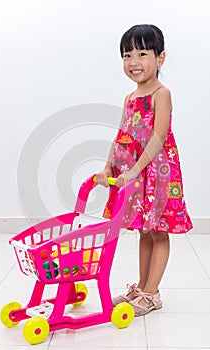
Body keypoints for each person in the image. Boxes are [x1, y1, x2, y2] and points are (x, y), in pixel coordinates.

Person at [95, 24, 193, 316]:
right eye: (127, 55)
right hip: (135, 174)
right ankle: (142, 287)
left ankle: (152, 293)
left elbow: (158, 136)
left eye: (142, 53)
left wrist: (136, 170)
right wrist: (108, 165)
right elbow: (121, 134)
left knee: (159, 231)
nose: (133, 61)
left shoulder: (161, 94)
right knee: (144, 231)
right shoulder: (129, 99)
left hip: (158, 174)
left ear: (160, 58)